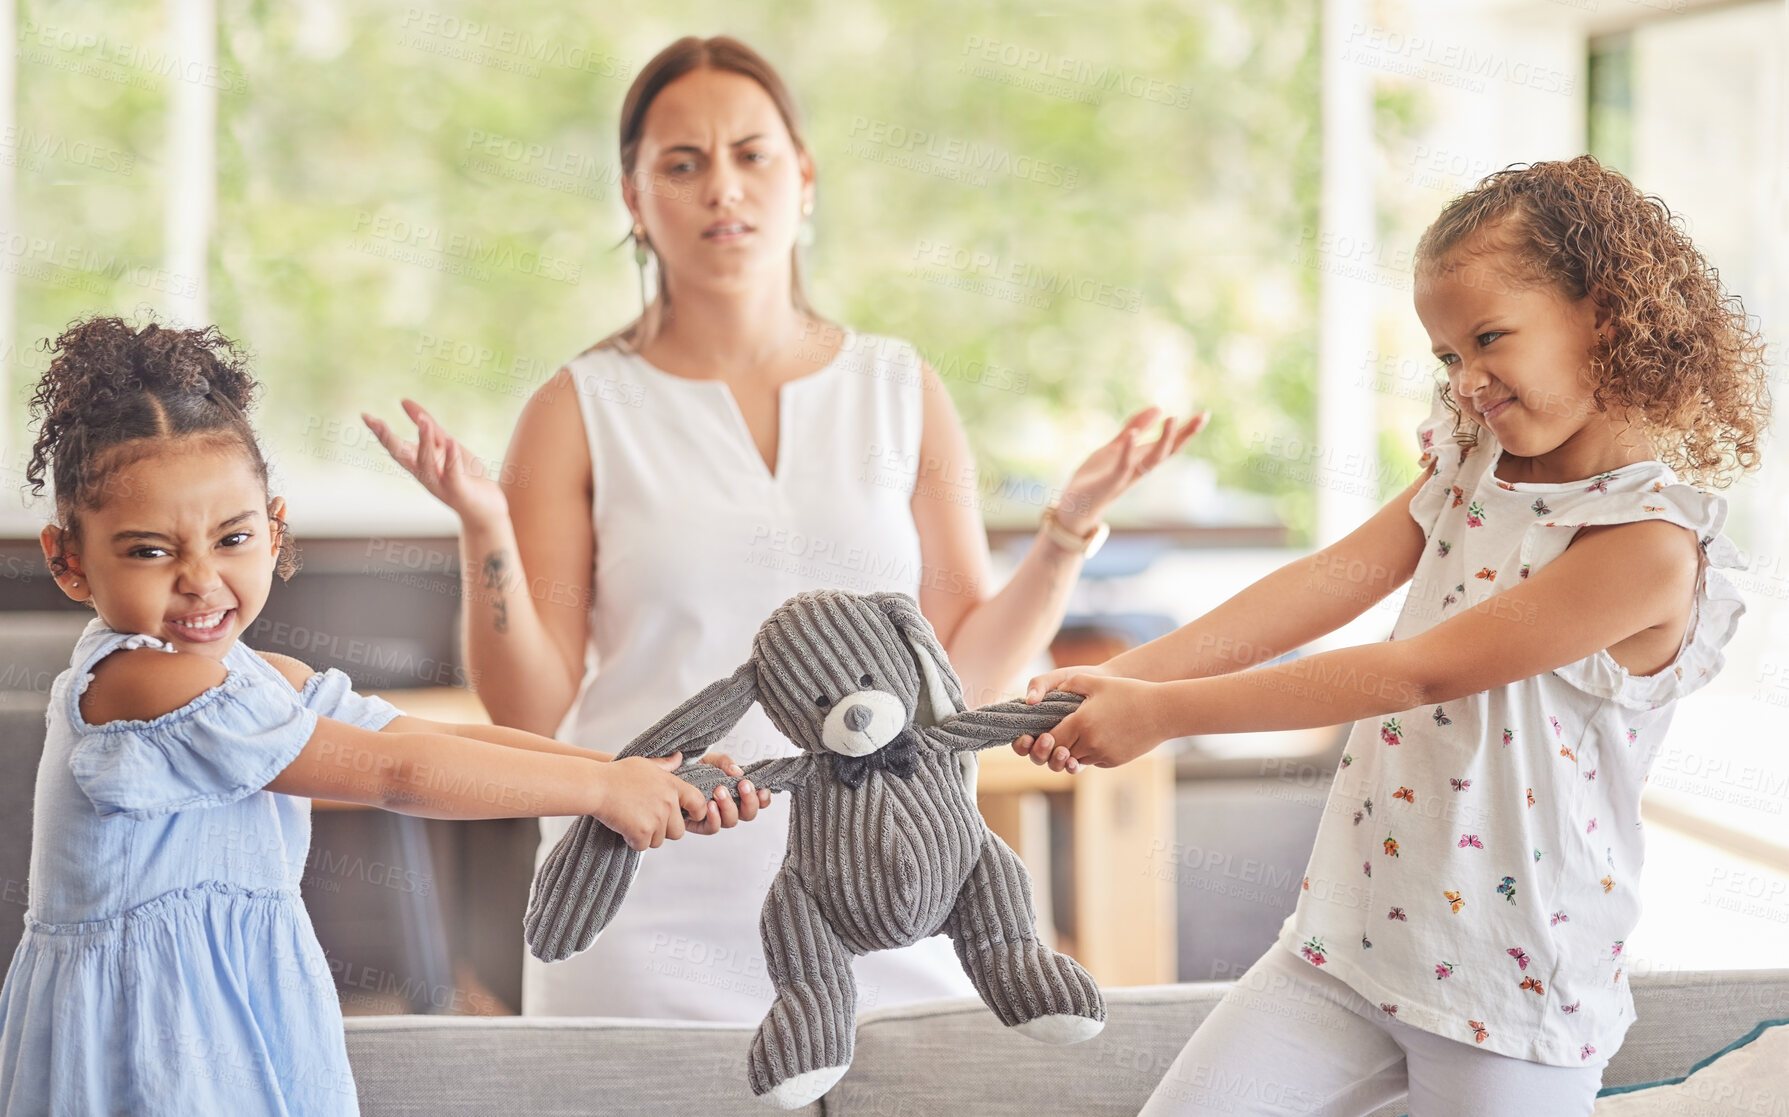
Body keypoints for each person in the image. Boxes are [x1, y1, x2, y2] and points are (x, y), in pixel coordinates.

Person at [364, 34, 1206, 1021]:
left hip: (890, 904)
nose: (722, 186)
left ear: (802, 179)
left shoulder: (900, 389)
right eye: (682, 163)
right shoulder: (575, 408)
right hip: (648, 918)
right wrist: (484, 528)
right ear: (634, 200)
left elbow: (961, 684)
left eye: (751, 154)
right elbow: (532, 719)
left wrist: (1067, 531)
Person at [1014, 156, 1768, 1114]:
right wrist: (1119, 677)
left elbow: (1417, 674)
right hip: (1347, 947)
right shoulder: (1468, 469)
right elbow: (1319, 586)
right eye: (1448, 357)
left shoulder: (1647, 542)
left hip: (1511, 996)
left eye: (1489, 339)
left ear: (1605, 315)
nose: (1466, 383)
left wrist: (1163, 714)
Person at [0, 317, 767, 1114]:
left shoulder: (261, 677)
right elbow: (397, 774)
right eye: (150, 551)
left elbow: (417, 737)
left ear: (274, 530)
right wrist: (605, 795)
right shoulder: (138, 685)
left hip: (240, 1019)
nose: (201, 579)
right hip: (146, 1037)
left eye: (232, 538)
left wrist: (624, 774)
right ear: (67, 559)